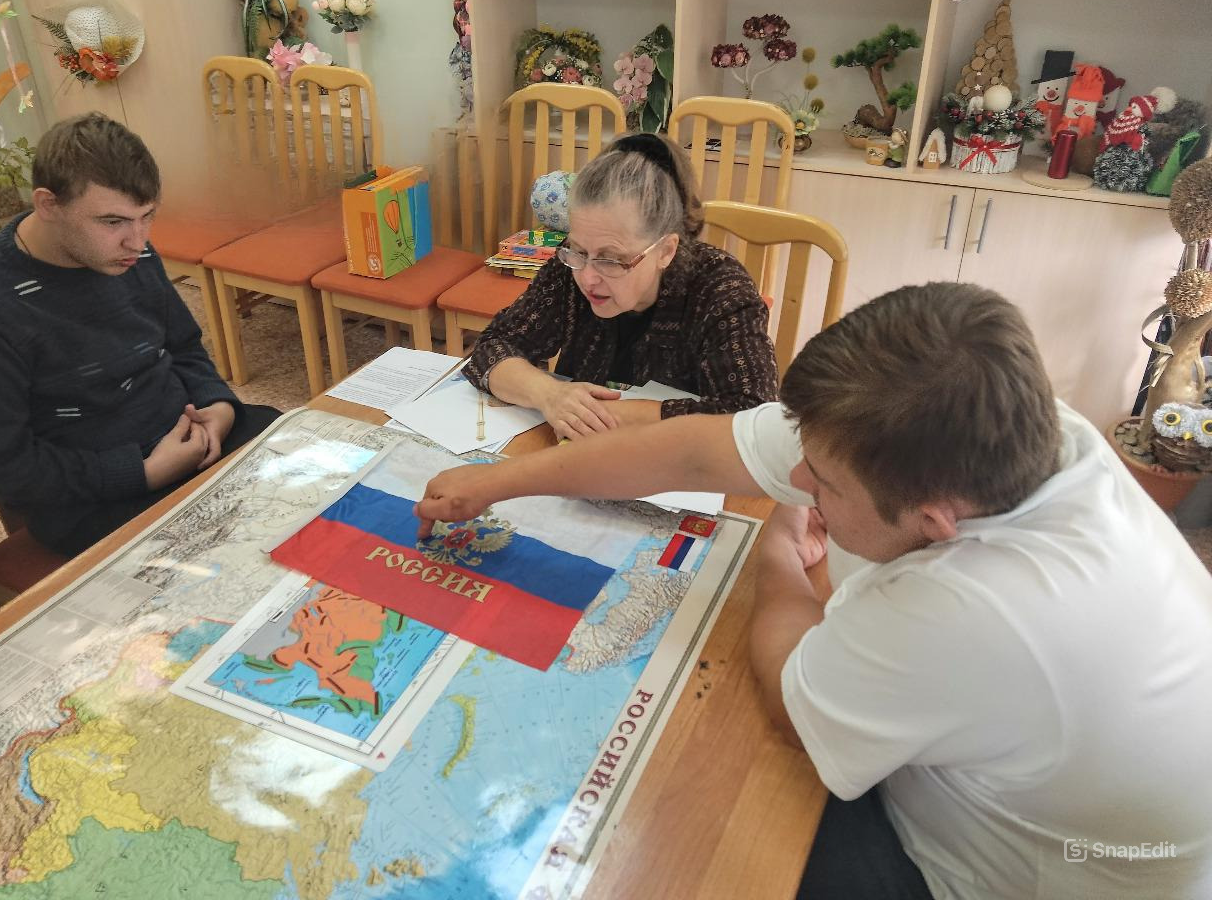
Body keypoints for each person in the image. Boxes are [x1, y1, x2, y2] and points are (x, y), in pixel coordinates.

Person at [415, 281, 1212, 900]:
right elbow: (692, 452)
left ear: (934, 521)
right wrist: (498, 482)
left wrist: (779, 555)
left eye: (822, 481)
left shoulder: (979, 607)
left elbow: (790, 700)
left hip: (1003, 880)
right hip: (1033, 794)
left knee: (692, 822)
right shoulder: (1006, 429)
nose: (796, 479)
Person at [0, 113, 280, 557]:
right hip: (98, 501)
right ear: (47, 204)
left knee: (331, 478)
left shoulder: (128, 253)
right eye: (113, 222)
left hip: (196, 442)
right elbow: (6, 467)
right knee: (251, 564)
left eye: (147, 216)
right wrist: (144, 473)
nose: (138, 241)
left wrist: (219, 406)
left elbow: (182, 346)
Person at [463, 132, 778, 441]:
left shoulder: (721, 289)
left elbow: (753, 418)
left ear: (665, 251)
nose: (588, 277)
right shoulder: (573, 264)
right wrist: (550, 394)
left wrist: (608, 415)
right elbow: (492, 347)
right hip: (577, 454)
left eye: (612, 260)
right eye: (578, 250)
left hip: (674, 465)